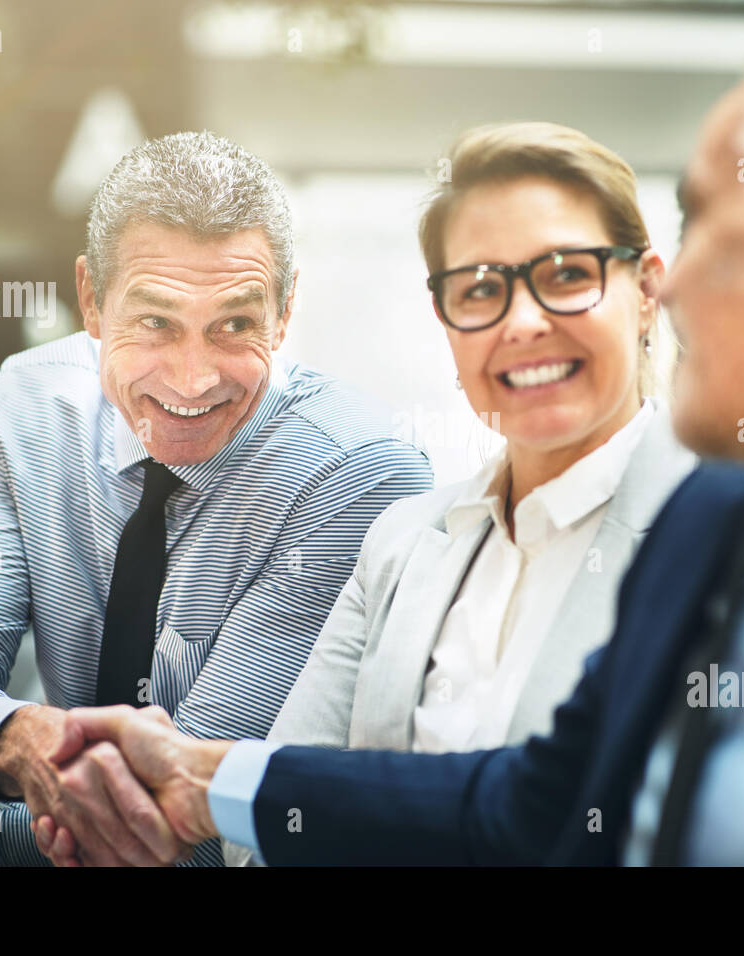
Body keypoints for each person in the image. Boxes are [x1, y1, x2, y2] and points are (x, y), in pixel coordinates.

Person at [38, 4, 744, 866]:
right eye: (478, 289)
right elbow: (535, 803)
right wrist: (193, 775)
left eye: (709, 210)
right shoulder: (722, 523)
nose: (678, 278)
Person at [0, 131, 433, 866]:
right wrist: (31, 744)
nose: (192, 379)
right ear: (91, 300)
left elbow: (199, 833)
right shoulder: (25, 406)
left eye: (236, 325)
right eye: (155, 322)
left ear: (284, 312)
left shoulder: (360, 476)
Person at [203, 123, 692, 865]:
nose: (523, 323)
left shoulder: (721, 532)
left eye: (565, 275)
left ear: (648, 290)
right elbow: (267, 831)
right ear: (447, 320)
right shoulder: (402, 542)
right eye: (482, 289)